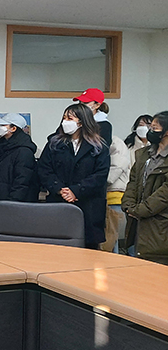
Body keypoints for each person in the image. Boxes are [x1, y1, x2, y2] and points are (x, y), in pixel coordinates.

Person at [37, 103, 110, 249]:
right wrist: (60, 189)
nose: (65, 122)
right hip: (58, 203)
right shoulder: (54, 143)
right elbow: (44, 169)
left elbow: (100, 175)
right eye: (64, 118)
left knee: (87, 252)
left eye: (70, 118)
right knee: (56, 248)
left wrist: (76, 191)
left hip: (88, 206)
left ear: (82, 122)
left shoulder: (99, 146)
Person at [122, 111, 168, 263]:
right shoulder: (144, 154)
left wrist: (140, 210)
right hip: (137, 221)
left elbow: (163, 195)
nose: (150, 131)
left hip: (160, 224)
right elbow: (133, 182)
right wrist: (128, 205)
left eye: (154, 128)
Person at [0, 113, 39, 209]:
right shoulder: (0, 146)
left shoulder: (24, 151)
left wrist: (11, 204)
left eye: (3, 125)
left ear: (13, 128)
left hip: (13, 206)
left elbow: (22, 182)